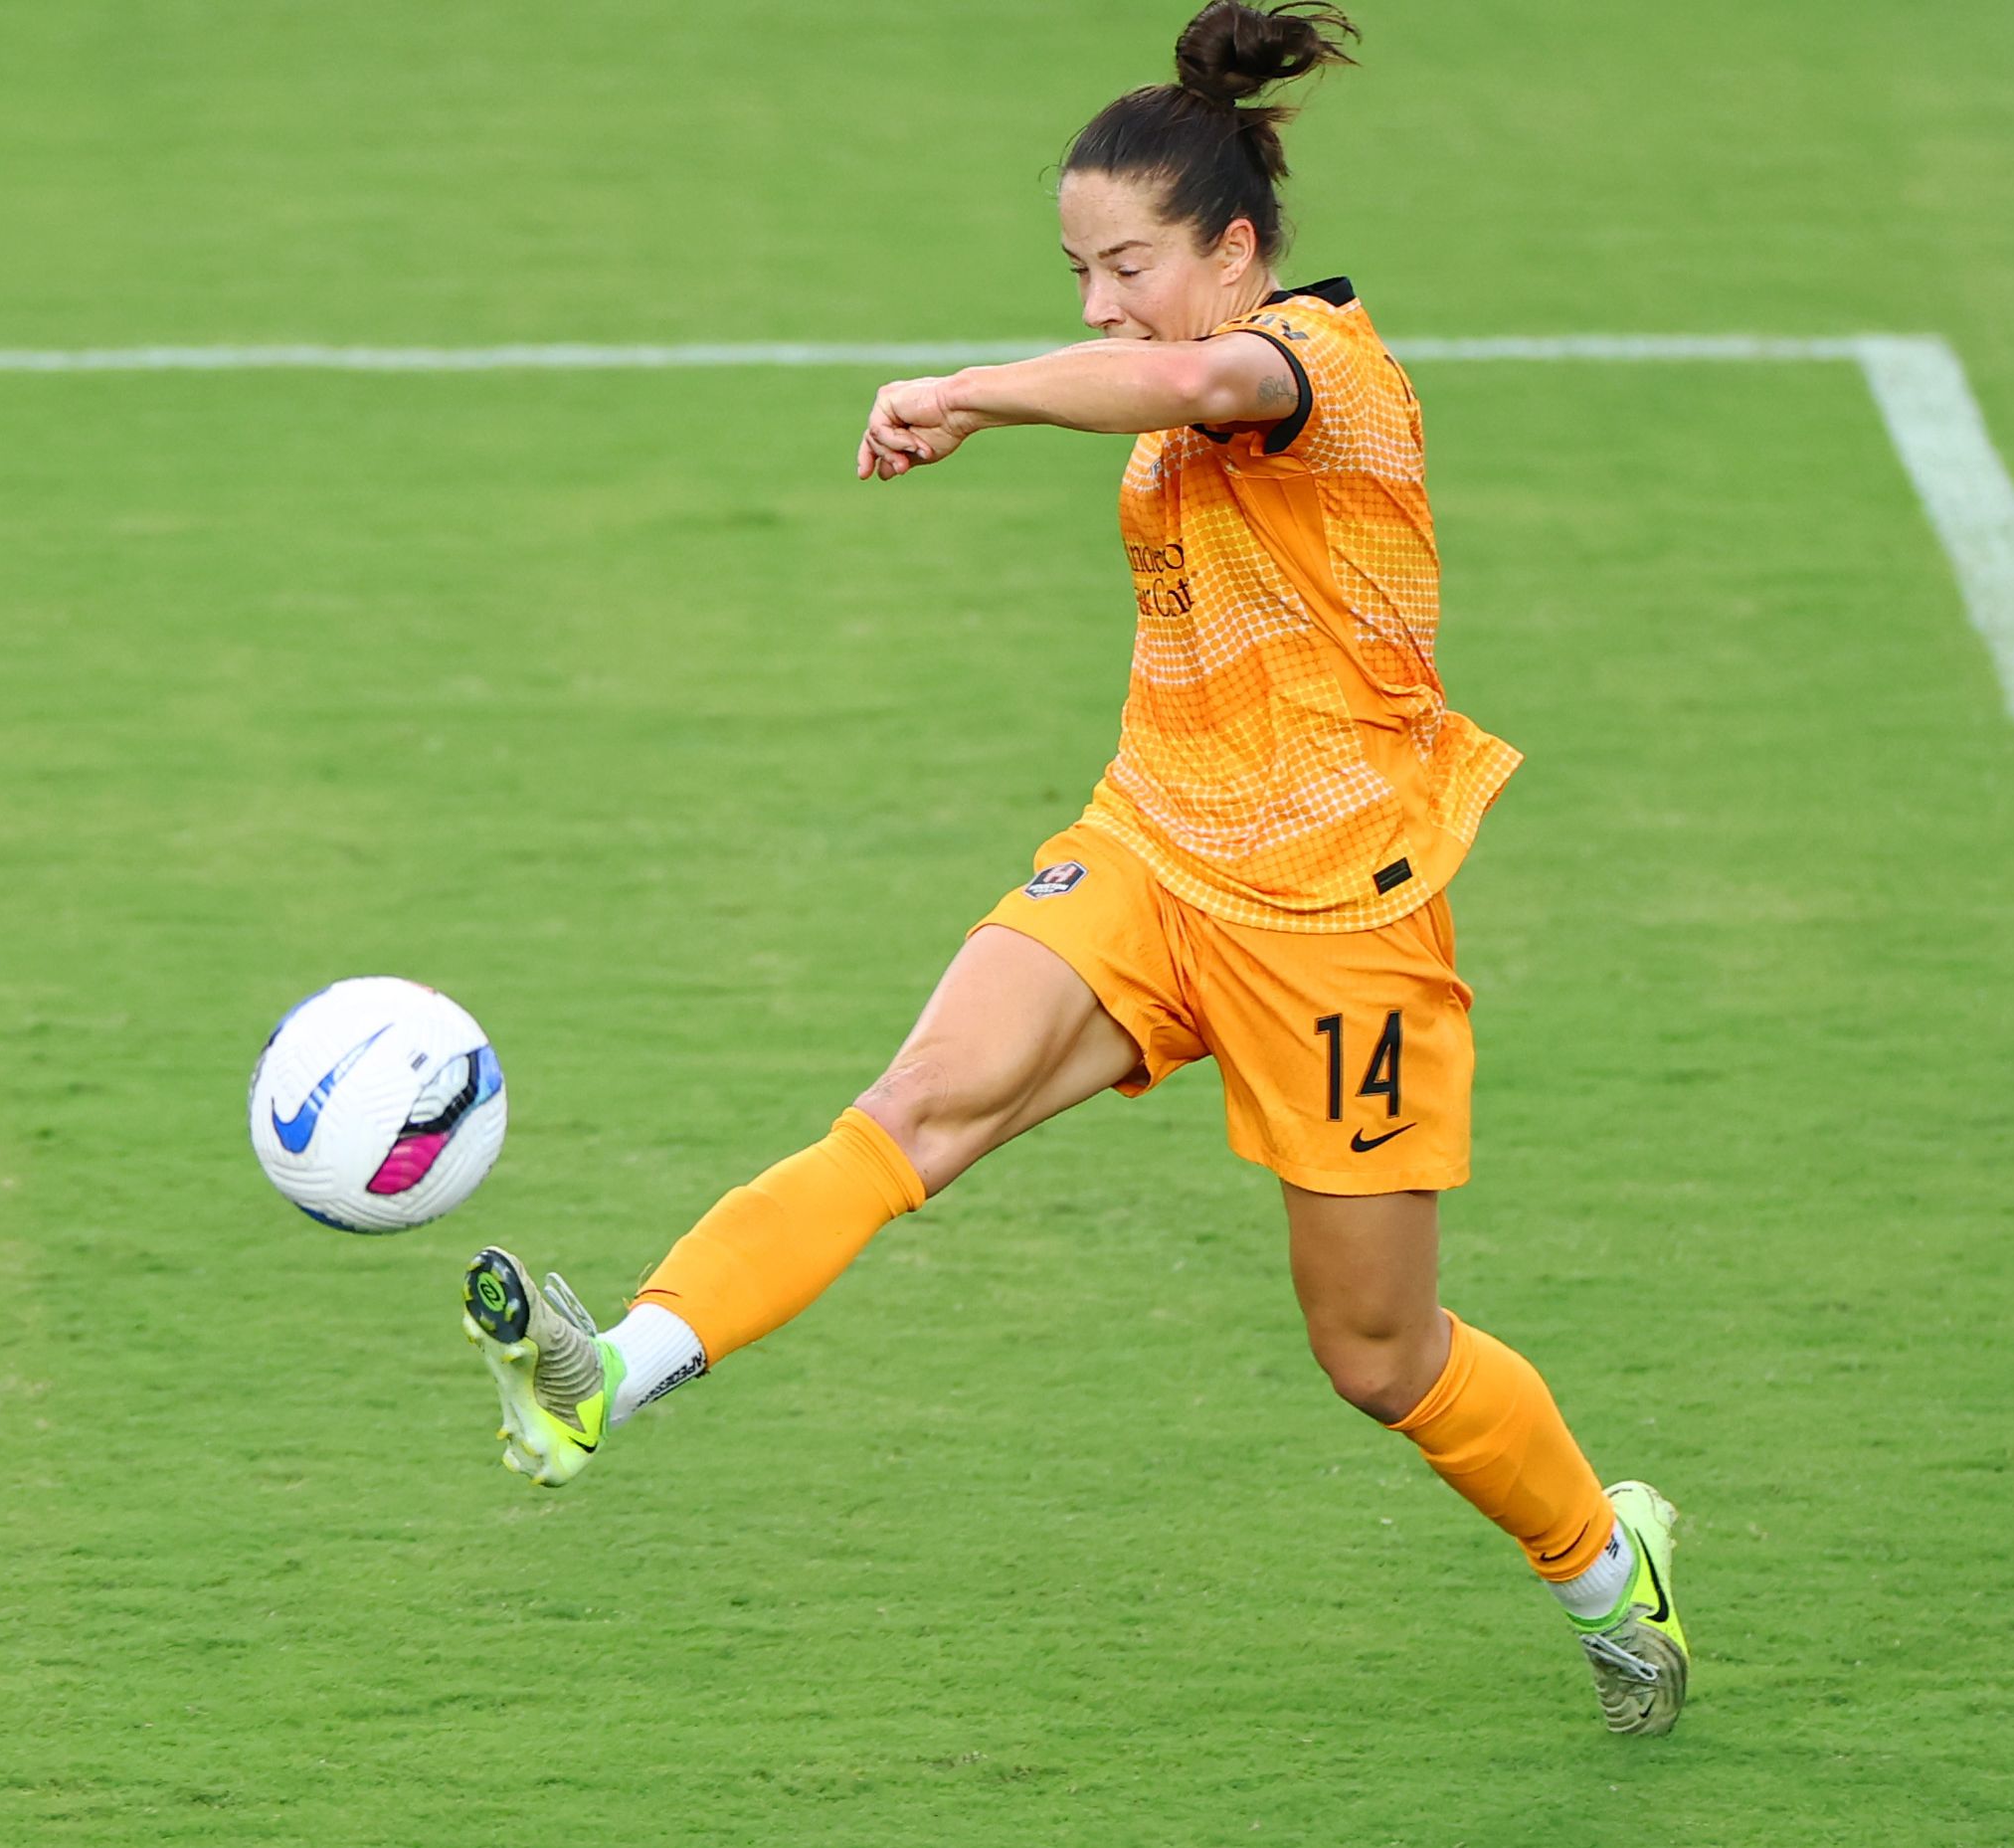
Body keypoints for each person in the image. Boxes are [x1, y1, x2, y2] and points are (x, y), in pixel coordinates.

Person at [457, 0, 1689, 1736]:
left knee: (1377, 1355)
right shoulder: (1174, 376)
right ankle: (604, 1383)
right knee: (912, 1110)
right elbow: (1157, 385)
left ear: (1237, 251)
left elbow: (1196, 379)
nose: (1099, 306)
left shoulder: (1318, 369)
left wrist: (959, 391)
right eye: (1076, 272)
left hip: (1341, 924)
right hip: (1145, 855)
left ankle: (1602, 1563)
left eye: (1127, 266)